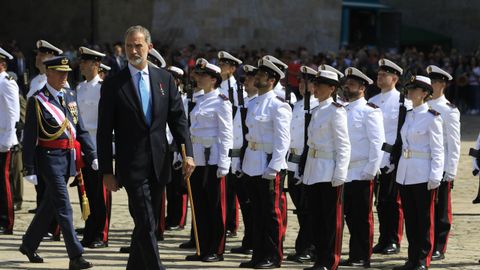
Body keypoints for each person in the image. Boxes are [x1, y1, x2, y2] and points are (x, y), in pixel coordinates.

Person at [97, 25, 194, 270]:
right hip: (131, 166)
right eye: (129, 46)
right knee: (146, 220)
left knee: (144, 224)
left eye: (138, 45)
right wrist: (107, 170)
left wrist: (188, 153)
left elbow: (178, 119)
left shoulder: (164, 79)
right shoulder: (113, 84)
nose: (133, 50)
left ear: (149, 47)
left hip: (159, 163)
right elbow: (104, 130)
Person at [20, 56, 97, 269]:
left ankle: (28, 244)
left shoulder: (70, 96)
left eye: (66, 72)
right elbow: (30, 137)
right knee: (64, 206)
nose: (65, 76)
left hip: (67, 159)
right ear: (49, 74)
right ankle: (75, 255)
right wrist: (29, 167)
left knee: (49, 206)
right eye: (60, 72)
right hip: (48, 159)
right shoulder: (38, 100)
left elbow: (80, 130)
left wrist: (93, 155)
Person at [240, 58, 292, 269]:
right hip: (252, 162)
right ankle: (258, 253)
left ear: (271, 80)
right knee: (256, 212)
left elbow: (283, 140)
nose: (256, 78)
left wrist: (275, 166)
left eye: (261, 75)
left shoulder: (278, 106)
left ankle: (273, 255)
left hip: (269, 164)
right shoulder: (253, 103)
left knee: (271, 213)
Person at [184, 58, 233, 262]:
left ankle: (216, 249)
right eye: (198, 74)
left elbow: (226, 133)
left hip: (212, 158)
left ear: (213, 80)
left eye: (203, 75)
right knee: (199, 205)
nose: (198, 78)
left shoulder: (221, 101)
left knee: (214, 206)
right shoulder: (199, 99)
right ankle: (202, 247)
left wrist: (224, 162)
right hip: (197, 158)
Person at [393, 75, 444, 270]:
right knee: (411, 219)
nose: (411, 92)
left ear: (425, 93)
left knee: (423, 219)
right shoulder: (408, 114)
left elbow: (438, 150)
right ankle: (412, 258)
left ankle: (422, 260)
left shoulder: (432, 117)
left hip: (423, 173)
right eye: (410, 88)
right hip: (406, 172)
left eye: (415, 89)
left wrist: (435, 176)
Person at [301, 70, 350, 270]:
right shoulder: (316, 109)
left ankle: (330, 261)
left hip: (329, 171)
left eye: (321, 85)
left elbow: (343, 145)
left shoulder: (336, 111)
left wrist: (340, 173)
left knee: (330, 220)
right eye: (316, 84)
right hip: (314, 169)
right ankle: (319, 259)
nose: (316, 88)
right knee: (316, 218)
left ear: (332, 88)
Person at [340, 67, 384, 268]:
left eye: (352, 83)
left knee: (362, 218)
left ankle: (362, 256)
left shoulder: (370, 111)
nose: (347, 86)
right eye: (346, 83)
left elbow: (377, 143)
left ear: (362, 87)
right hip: (344, 171)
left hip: (361, 171)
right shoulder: (342, 109)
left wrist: (370, 170)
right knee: (349, 216)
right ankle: (354, 253)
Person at [369, 58, 409, 255]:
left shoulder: (403, 101)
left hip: (392, 157)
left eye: (384, 74)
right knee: (380, 201)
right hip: (375, 157)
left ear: (395, 78)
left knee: (393, 201)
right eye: (379, 74)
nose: (380, 77)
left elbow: (403, 132)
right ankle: (383, 238)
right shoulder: (372, 101)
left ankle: (393, 239)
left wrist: (395, 157)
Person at [75, 46, 111, 249]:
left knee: (101, 193)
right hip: (82, 147)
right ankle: (90, 231)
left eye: (86, 62)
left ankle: (101, 234)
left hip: (98, 146)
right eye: (81, 61)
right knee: (86, 192)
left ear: (96, 65)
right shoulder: (79, 88)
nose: (82, 65)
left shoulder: (103, 88)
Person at [426, 65, 461, 261]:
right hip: (423, 164)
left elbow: (453, 142)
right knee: (425, 209)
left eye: (433, 82)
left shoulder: (449, 110)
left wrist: (451, 170)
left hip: (442, 166)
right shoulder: (422, 105)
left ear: (442, 84)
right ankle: (427, 243)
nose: (430, 85)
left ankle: (439, 245)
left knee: (441, 210)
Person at [285, 65, 318, 263]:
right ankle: (305, 244)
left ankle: (309, 246)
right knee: (300, 206)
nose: (303, 86)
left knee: (308, 208)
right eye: (302, 82)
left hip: (308, 162)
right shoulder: (297, 105)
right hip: (293, 162)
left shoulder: (317, 105)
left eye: (308, 82)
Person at [230, 64, 258, 255]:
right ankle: (249, 239)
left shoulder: (256, 103)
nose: (245, 82)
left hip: (251, 159)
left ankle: (255, 240)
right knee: (245, 205)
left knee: (252, 205)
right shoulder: (245, 103)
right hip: (239, 159)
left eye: (249, 78)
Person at [218, 50, 244, 237]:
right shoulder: (220, 87)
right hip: (220, 142)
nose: (221, 68)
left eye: (224, 65)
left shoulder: (235, 90)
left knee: (231, 188)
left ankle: (231, 224)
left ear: (232, 68)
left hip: (233, 142)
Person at [0, 47, 20, 235]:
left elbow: (13, 111)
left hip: (3, 137)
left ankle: (7, 221)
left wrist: (9, 137)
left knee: (4, 180)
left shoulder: (6, 82)